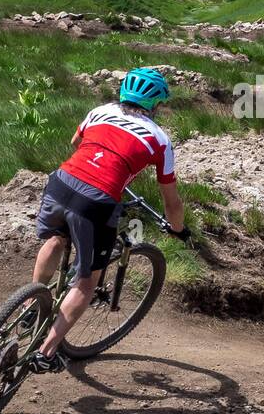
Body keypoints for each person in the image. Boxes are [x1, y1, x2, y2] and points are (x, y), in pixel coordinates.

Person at [27, 67, 188, 373]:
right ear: (154, 104)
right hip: (96, 201)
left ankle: (29, 303)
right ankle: (46, 353)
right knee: (88, 282)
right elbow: (171, 200)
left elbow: (77, 142)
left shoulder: (99, 111)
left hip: (61, 181)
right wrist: (177, 229)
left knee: (57, 238)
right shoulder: (159, 139)